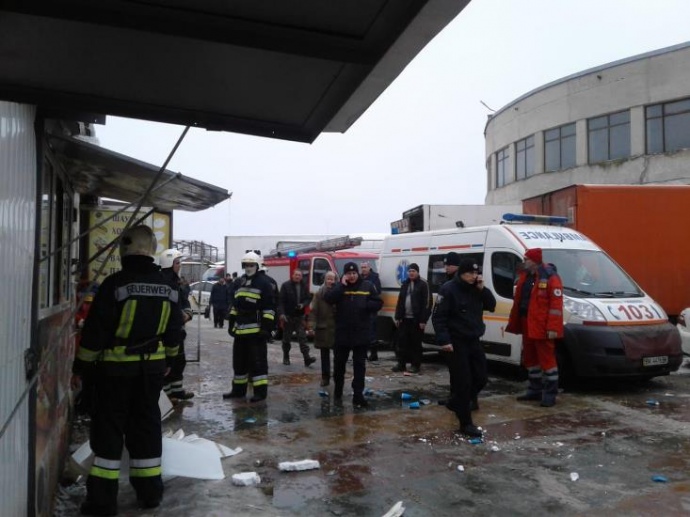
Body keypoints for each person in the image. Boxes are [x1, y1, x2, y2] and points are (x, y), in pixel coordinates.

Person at [72, 225, 182, 515]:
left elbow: (95, 332)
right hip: (152, 371)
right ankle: (150, 494)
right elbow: (174, 333)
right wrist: (170, 362)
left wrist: (81, 366)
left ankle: (102, 502)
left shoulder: (115, 284)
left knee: (109, 432)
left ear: (125, 249)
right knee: (146, 428)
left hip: (115, 372)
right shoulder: (169, 287)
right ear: (152, 249)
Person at [432, 258, 496, 438]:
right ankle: (465, 423)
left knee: (481, 378)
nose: (473, 276)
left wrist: (483, 289)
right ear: (461, 273)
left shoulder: (476, 289)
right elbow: (438, 317)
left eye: (476, 273)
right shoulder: (449, 289)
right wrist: (444, 340)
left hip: (473, 339)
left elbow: (491, 306)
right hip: (456, 341)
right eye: (470, 273)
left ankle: (456, 402)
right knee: (463, 382)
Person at [506, 248, 564, 407]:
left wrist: (553, 328)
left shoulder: (550, 276)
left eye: (526, 259)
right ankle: (535, 390)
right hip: (527, 322)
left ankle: (550, 394)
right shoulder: (525, 276)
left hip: (542, 326)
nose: (524, 262)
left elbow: (556, 305)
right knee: (530, 359)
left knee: (547, 360)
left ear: (534, 261)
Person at [324, 262, 383, 408]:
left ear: (357, 273)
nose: (352, 276)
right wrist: (341, 285)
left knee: (359, 366)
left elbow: (378, 302)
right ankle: (338, 391)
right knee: (339, 365)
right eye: (349, 274)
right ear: (345, 275)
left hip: (360, 334)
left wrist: (366, 306)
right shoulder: (340, 287)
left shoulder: (367, 286)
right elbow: (329, 298)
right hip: (342, 333)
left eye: (354, 273)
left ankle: (358, 395)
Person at [223, 252, 276, 402]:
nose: (248, 267)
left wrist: (266, 328)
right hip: (240, 332)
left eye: (251, 264)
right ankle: (238, 391)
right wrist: (231, 323)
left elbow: (269, 308)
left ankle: (260, 392)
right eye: (246, 265)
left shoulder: (264, 283)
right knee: (239, 363)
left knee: (258, 363)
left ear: (257, 266)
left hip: (256, 332)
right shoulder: (240, 282)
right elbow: (235, 305)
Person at [160, 248, 195, 401]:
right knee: (167, 363)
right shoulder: (163, 282)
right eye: (177, 262)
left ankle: (177, 390)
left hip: (177, 330)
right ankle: (167, 395)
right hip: (167, 331)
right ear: (169, 263)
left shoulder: (177, 282)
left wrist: (187, 313)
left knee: (179, 361)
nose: (179, 265)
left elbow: (184, 301)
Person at [393, 263, 432, 374]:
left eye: (413, 271)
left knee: (415, 344)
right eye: (409, 271)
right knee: (402, 343)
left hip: (417, 320)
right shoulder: (405, 284)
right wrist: (398, 316)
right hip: (404, 319)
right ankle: (401, 364)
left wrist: (423, 320)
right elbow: (400, 301)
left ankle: (415, 365)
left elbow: (427, 303)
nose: (411, 273)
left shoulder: (423, 284)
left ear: (417, 272)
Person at [278, 269, 315, 366]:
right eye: (296, 275)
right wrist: (282, 314)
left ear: (301, 277)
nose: (297, 277)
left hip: (299, 317)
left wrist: (303, 305)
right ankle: (286, 357)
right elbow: (281, 301)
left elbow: (308, 298)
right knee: (286, 339)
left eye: (299, 275)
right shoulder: (285, 286)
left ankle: (307, 358)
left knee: (303, 338)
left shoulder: (304, 286)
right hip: (288, 316)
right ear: (292, 275)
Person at [310, 271, 338, 386]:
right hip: (324, 328)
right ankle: (325, 377)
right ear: (325, 280)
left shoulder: (339, 293)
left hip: (336, 329)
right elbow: (314, 311)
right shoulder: (319, 294)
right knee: (324, 355)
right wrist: (312, 326)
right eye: (328, 279)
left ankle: (337, 376)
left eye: (332, 279)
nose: (330, 281)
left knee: (338, 355)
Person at [360, 261, 382, 361]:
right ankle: (363, 353)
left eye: (365, 267)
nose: (363, 269)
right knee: (362, 332)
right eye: (362, 267)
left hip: (371, 308)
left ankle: (374, 354)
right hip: (361, 309)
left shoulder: (374, 278)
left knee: (372, 331)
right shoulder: (360, 278)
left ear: (369, 268)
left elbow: (378, 291)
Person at [258, 263, 279, 343]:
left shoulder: (255, 280)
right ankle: (269, 337)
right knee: (269, 323)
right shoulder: (272, 281)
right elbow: (277, 295)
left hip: (259, 306)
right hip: (270, 307)